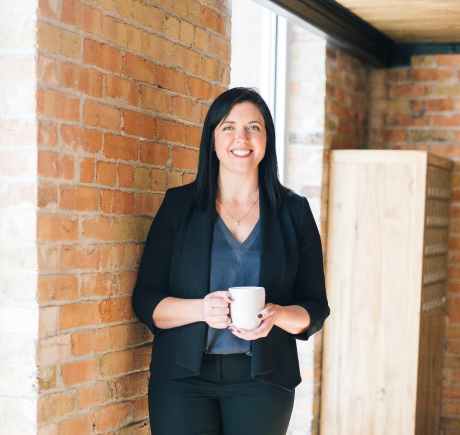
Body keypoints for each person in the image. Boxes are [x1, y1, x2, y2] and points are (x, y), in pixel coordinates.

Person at [132, 87, 330, 435]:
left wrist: (279, 315)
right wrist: (200, 310)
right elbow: (146, 299)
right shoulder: (179, 207)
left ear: (266, 139)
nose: (242, 137)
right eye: (228, 127)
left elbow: (315, 309)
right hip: (182, 380)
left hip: (264, 381)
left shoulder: (294, 212)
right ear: (212, 139)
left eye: (254, 127)